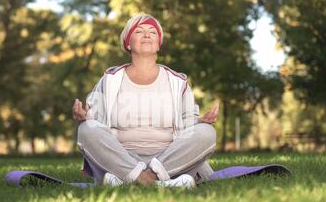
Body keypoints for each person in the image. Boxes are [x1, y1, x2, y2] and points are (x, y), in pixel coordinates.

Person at [73, 13, 219, 188]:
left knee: (206, 132)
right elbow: (95, 120)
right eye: (139, 31)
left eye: (153, 32)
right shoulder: (110, 79)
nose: (147, 34)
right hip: (122, 158)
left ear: (159, 44)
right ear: (128, 42)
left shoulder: (177, 81)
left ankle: (132, 181)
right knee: (87, 129)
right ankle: (161, 183)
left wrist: (200, 120)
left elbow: (188, 123)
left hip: (168, 160)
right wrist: (85, 116)